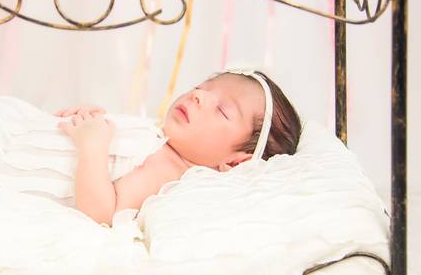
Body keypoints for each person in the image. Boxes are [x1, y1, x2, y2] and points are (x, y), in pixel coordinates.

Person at [55, 70, 302, 226]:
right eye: (202, 87)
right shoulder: (159, 136)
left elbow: (102, 213)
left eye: (222, 110)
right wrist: (91, 118)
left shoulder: (167, 168)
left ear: (237, 162)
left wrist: (92, 146)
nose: (199, 96)